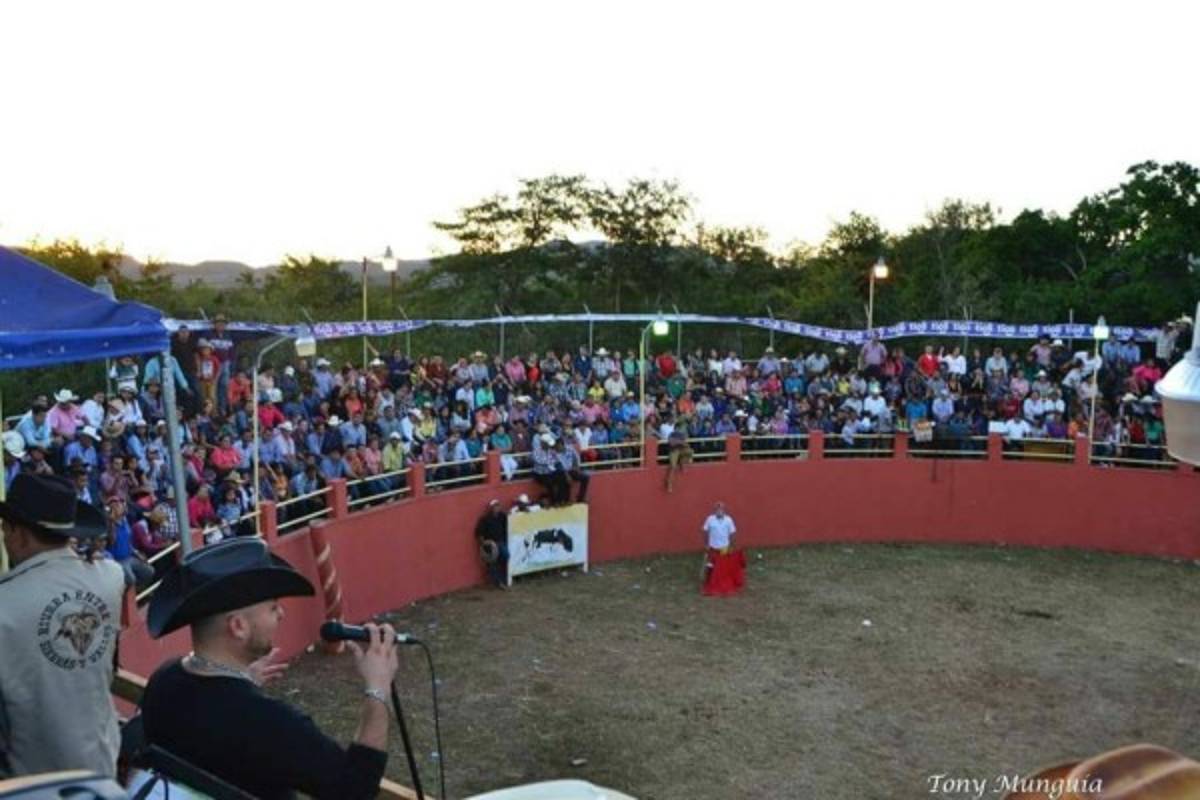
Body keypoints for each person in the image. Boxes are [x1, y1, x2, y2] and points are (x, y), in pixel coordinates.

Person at [141, 538, 399, 800]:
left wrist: (242, 680)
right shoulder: (268, 723)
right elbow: (355, 791)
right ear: (238, 626)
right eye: (273, 607)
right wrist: (377, 689)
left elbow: (213, 712)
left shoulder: (163, 681)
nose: (282, 614)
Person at [0, 473, 125, 778]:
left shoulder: (5, 603)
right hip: (101, 769)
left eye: (5, 529)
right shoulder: (110, 577)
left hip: (32, 783)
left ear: (19, 533)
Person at [701, 501, 745, 597]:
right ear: (715, 510)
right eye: (717, 509)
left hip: (724, 548)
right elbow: (705, 531)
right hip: (713, 547)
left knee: (723, 568)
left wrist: (732, 546)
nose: (719, 511)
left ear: (724, 510)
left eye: (721, 509)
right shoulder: (710, 519)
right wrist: (706, 544)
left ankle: (722, 582)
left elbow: (732, 533)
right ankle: (708, 582)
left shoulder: (729, 520)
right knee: (710, 566)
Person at [475, 499, 509, 589]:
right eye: (495, 506)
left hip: (500, 541)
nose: (497, 508)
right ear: (491, 508)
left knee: (505, 555)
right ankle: (498, 582)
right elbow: (479, 533)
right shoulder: (485, 519)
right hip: (490, 544)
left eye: (498, 506)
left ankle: (502, 579)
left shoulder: (503, 516)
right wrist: (484, 543)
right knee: (493, 562)